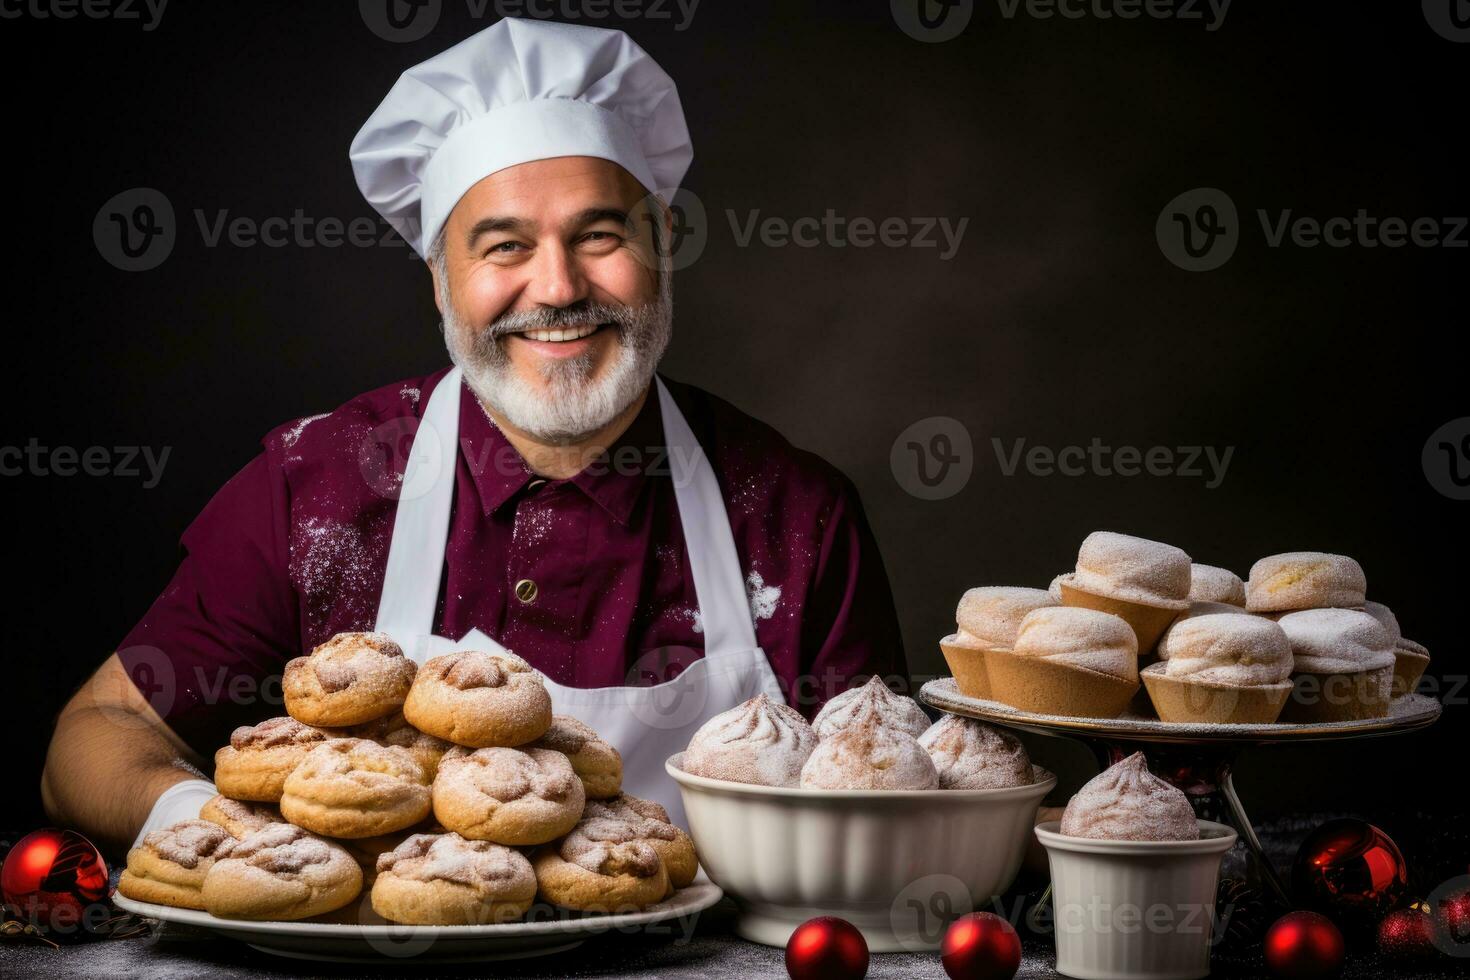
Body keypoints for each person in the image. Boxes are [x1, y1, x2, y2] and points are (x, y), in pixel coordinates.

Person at [41, 18, 905, 850]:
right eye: (502, 246)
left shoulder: (797, 519)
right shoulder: (315, 488)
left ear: (664, 242)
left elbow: (892, 803)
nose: (558, 287)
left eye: (599, 234)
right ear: (440, 278)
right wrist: (226, 831)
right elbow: (96, 732)